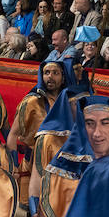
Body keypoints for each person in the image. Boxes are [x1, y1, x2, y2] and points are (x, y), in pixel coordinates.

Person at [8, 60, 66, 208]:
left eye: (55, 73)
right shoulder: (32, 102)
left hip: (61, 168)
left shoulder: (69, 102)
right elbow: (13, 135)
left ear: (63, 77)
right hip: (33, 166)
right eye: (46, 73)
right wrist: (13, 165)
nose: (50, 77)